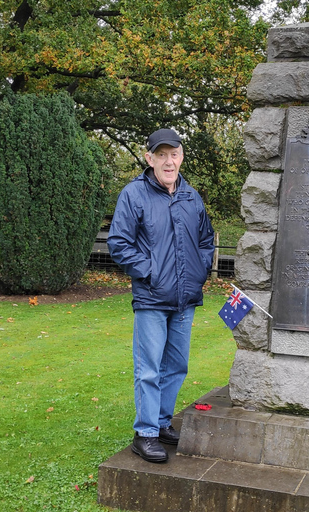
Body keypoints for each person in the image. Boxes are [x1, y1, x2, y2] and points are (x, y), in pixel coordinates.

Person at [107, 128, 215, 463]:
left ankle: (162, 422)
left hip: (185, 299)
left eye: (175, 154)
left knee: (177, 366)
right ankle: (145, 433)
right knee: (149, 369)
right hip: (152, 298)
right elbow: (119, 244)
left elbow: (206, 240)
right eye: (162, 154)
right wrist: (151, 272)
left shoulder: (190, 196)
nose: (169, 161)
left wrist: (197, 273)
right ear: (149, 157)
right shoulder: (134, 195)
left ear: (181, 157)